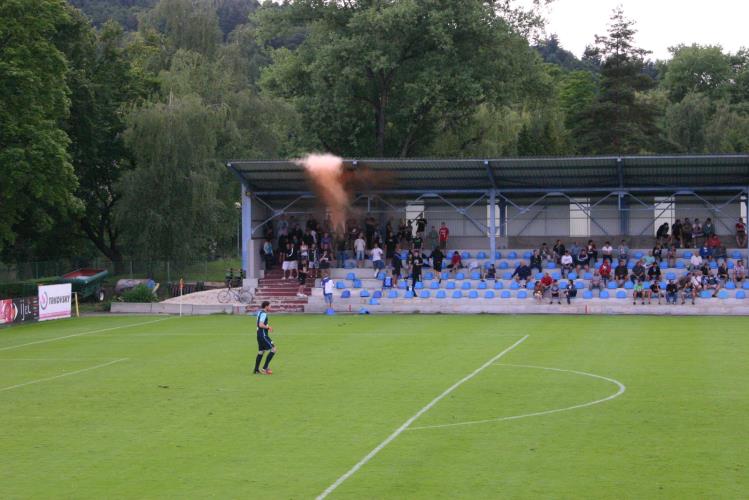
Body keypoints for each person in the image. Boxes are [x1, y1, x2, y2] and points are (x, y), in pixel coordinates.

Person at [252, 301, 276, 375]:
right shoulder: (264, 314)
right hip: (263, 335)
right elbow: (260, 324)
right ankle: (265, 368)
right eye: (270, 306)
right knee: (273, 349)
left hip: (259, 335)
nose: (270, 307)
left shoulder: (259, 312)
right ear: (266, 306)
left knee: (261, 351)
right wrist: (268, 327)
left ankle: (256, 369)